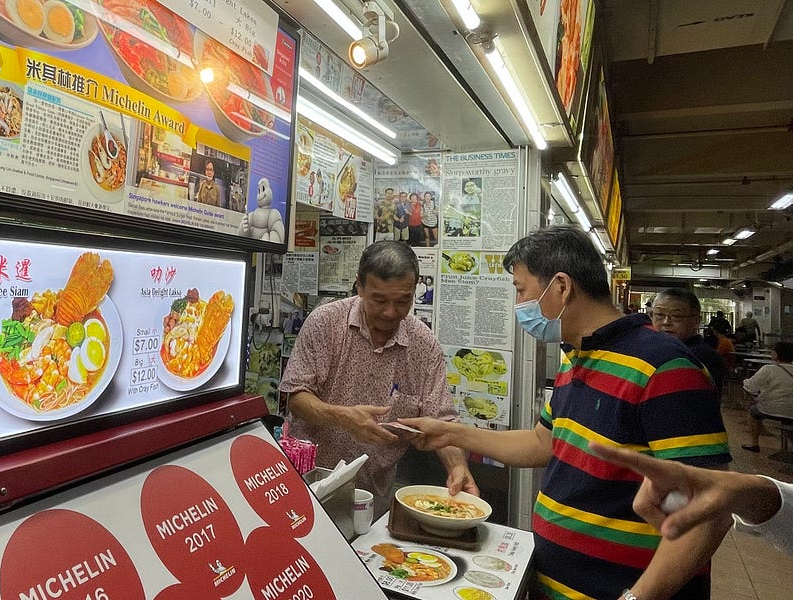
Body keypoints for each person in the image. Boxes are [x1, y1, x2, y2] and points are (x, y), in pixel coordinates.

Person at [400, 225, 731, 600]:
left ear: (561, 286)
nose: (518, 305)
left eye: (521, 290)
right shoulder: (577, 357)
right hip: (558, 582)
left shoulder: (665, 366)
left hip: (621, 590)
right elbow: (544, 442)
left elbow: (709, 509)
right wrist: (452, 434)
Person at [279, 240, 477, 513]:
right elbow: (296, 397)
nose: (390, 312)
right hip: (311, 483)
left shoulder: (423, 344)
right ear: (359, 286)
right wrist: (343, 417)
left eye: (403, 301)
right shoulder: (325, 323)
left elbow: (441, 418)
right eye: (379, 300)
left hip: (375, 494)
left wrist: (457, 466)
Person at [588, 443, 792, 556]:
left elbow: (708, 521)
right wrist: (745, 491)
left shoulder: (670, 372)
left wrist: (634, 596)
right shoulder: (569, 374)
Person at [652, 288, 728, 397]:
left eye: (676, 316)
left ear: (696, 321)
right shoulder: (661, 349)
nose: (666, 322)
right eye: (659, 314)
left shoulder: (698, 356)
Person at [741, 341, 793, 452]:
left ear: (776, 354)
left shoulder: (768, 369)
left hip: (772, 408)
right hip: (791, 409)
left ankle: (754, 444)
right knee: (788, 418)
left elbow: (750, 386)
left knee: (753, 411)